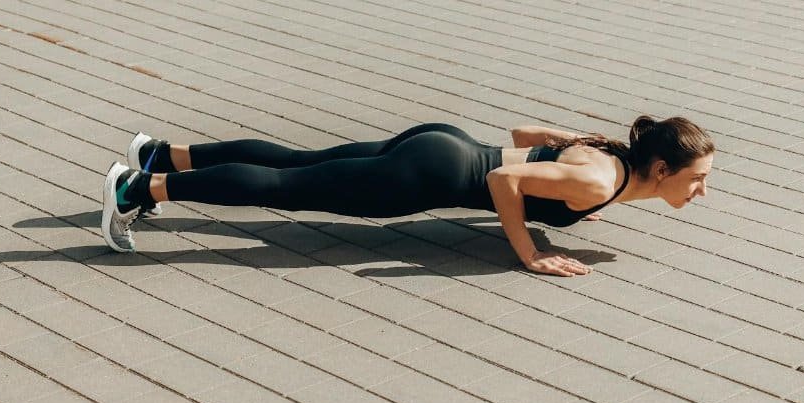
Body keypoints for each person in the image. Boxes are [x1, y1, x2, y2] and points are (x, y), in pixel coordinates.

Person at [101, 116, 715, 277]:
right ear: (660, 167)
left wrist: (562, 140)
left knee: (296, 160)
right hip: (424, 178)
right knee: (288, 187)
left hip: (441, 143)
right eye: (696, 178)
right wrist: (527, 252)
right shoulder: (598, 182)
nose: (702, 190)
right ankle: (140, 188)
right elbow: (505, 183)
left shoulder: (602, 154)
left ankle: (162, 155)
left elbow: (521, 141)